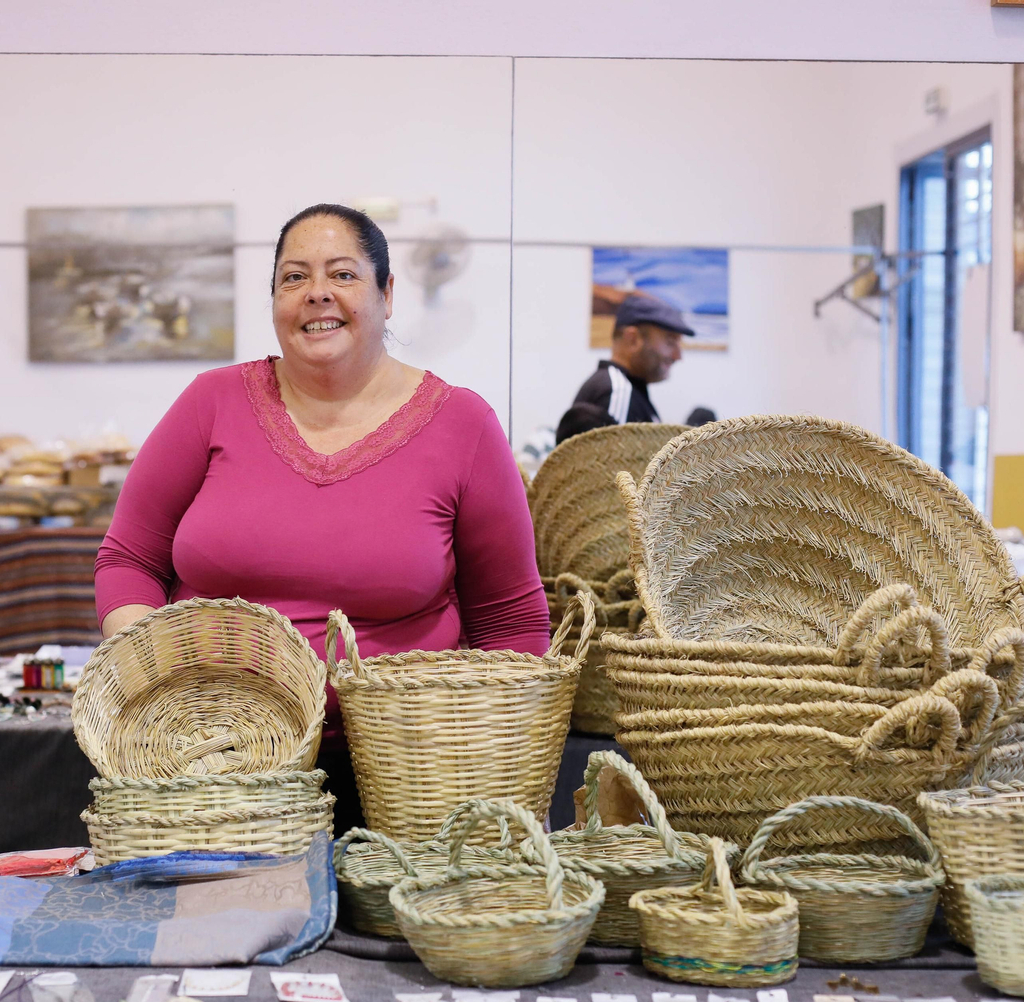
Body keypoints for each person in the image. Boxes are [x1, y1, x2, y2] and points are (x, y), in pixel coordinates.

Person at [94, 203, 550, 832]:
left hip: (408, 780)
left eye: (343, 274)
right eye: (294, 278)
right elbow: (129, 560)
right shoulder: (212, 403)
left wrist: (499, 773)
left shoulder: (462, 425)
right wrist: (157, 674)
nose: (317, 294)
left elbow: (511, 621)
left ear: (387, 294)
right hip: (211, 770)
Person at [568, 291, 694, 427]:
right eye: (670, 342)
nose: (678, 356)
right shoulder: (617, 392)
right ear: (632, 339)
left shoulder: (626, 389)